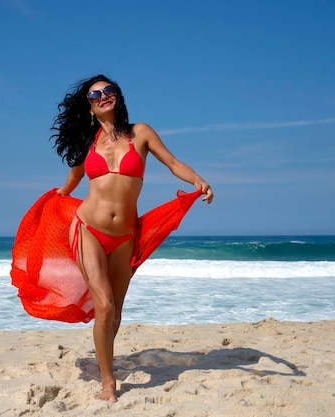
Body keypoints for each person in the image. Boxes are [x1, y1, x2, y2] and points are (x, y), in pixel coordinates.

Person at [51, 74, 213, 402]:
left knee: (116, 313)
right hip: (87, 229)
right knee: (105, 305)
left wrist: (197, 179)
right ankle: (107, 382)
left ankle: (105, 359)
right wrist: (62, 194)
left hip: (125, 235)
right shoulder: (89, 141)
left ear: (118, 97)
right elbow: (76, 174)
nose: (103, 96)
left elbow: (172, 162)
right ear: (90, 106)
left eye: (109, 91)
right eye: (95, 94)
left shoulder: (140, 132)